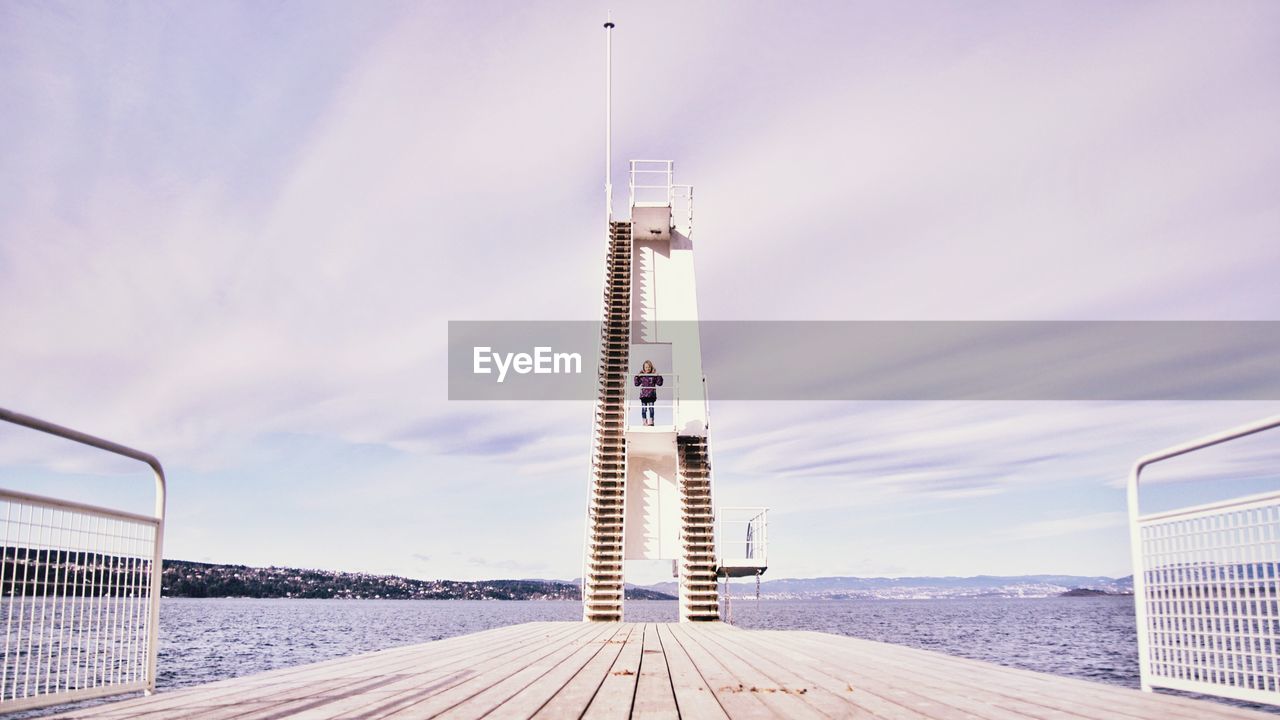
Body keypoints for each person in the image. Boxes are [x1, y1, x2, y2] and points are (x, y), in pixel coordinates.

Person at [633, 360, 663, 426]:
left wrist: (658, 376)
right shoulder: (642, 376)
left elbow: (659, 383)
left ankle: (651, 421)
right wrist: (637, 376)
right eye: (646, 367)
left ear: (651, 367)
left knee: (651, 409)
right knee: (644, 409)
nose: (647, 368)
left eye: (649, 367)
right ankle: (644, 422)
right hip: (644, 396)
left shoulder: (653, 376)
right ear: (644, 368)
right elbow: (636, 384)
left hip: (651, 395)